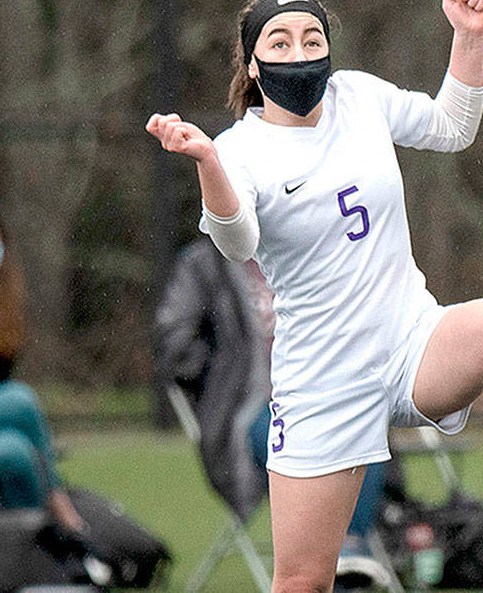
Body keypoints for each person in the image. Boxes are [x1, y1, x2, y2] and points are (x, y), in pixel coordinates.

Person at [145, 0, 483, 593]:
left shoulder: (357, 96)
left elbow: (453, 127)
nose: (300, 52)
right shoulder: (239, 148)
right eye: (279, 42)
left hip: (410, 340)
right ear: (253, 65)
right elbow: (239, 244)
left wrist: (469, 37)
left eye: (312, 38)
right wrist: (207, 163)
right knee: (301, 583)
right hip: (323, 378)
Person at [154, 236, 394, 589]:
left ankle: (348, 549)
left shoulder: (303, 246)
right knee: (302, 436)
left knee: (363, 424)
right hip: (249, 408)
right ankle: (339, 557)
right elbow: (172, 339)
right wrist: (219, 378)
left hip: (320, 397)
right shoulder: (205, 264)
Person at [0, 214, 83, 535]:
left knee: (14, 451)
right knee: (21, 401)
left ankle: (37, 548)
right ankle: (60, 506)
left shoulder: (6, 302)